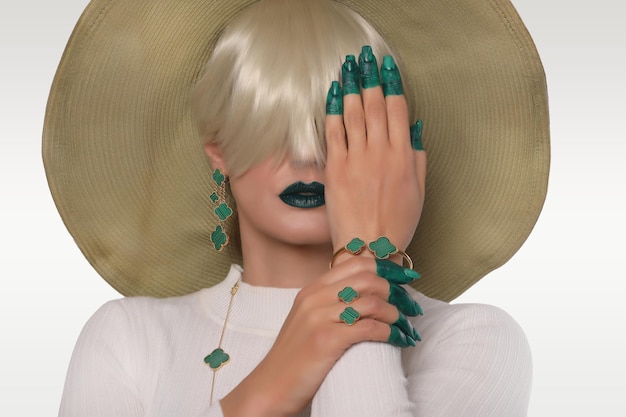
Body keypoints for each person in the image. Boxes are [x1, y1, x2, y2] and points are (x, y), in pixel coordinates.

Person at [43, 0, 550, 416]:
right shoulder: (127, 339)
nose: (307, 156)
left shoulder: (477, 340)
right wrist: (277, 380)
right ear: (217, 149)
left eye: (343, 129)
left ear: (395, 154)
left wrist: (362, 266)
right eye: (275, 127)